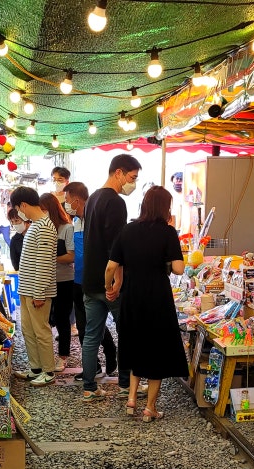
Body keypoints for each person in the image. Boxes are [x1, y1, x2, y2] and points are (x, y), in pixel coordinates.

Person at [105, 186, 187, 421]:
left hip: (132, 295)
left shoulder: (127, 230)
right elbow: (179, 268)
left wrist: (109, 287)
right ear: (165, 208)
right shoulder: (168, 232)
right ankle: (149, 408)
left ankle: (131, 398)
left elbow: (111, 266)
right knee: (157, 350)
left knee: (135, 343)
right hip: (158, 297)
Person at [81, 154, 142, 401]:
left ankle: (89, 387)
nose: (133, 183)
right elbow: (116, 248)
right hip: (110, 282)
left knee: (91, 335)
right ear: (118, 172)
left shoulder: (93, 198)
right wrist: (117, 281)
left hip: (90, 280)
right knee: (125, 331)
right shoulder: (116, 202)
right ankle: (126, 385)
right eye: (132, 177)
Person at [65, 182, 116, 381]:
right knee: (85, 326)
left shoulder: (94, 220)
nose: (66, 205)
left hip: (97, 281)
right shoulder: (76, 222)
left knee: (96, 325)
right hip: (78, 281)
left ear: (77, 200)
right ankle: (92, 367)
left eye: (68, 201)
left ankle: (111, 353)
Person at [11, 186, 58, 386]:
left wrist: (39, 292)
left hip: (37, 290)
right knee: (28, 331)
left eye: (17, 208)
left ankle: (48, 371)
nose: (19, 213)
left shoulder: (45, 226)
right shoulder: (35, 225)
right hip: (27, 288)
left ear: (23, 205)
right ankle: (35, 367)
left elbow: (45, 263)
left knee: (41, 331)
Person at [39, 192, 75, 371]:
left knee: (62, 319)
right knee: (45, 318)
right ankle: (45, 357)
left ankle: (63, 356)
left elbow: (71, 256)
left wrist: (49, 257)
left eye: (44, 210)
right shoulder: (40, 227)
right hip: (45, 279)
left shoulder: (67, 228)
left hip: (64, 280)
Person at [7, 206, 26, 271]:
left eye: (17, 220)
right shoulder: (14, 240)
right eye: (12, 222)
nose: (15, 224)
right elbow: (15, 265)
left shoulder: (34, 233)